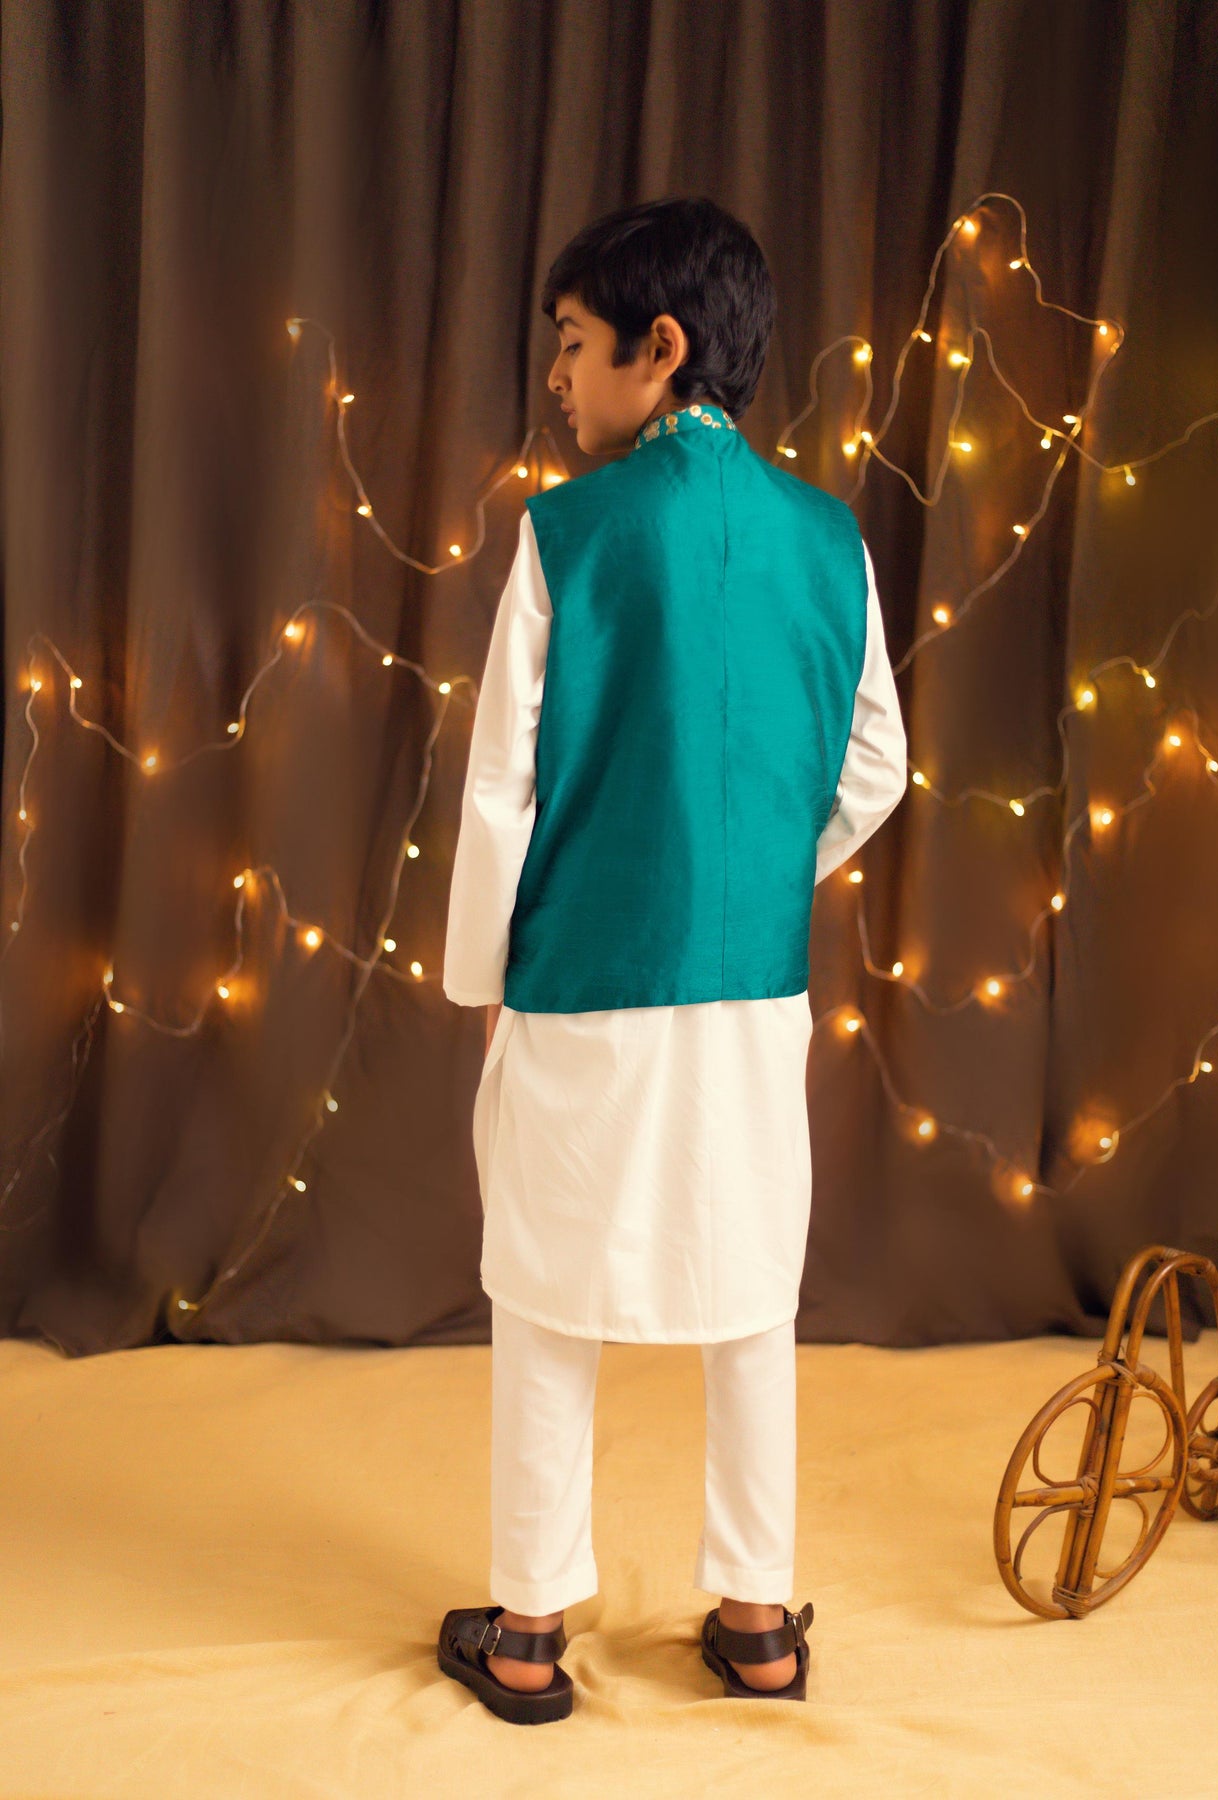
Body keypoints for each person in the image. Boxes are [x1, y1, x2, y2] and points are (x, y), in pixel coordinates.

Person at [436, 197, 908, 1724]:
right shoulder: (831, 540)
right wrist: (761, 872)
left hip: (584, 981)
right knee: (751, 1289)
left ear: (661, 347)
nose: (557, 378)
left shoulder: (566, 532)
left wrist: (481, 975)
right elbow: (878, 767)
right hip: (756, 992)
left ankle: (527, 1634)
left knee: (543, 1288)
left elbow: (501, 786)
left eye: (574, 346)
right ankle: (759, 1624)